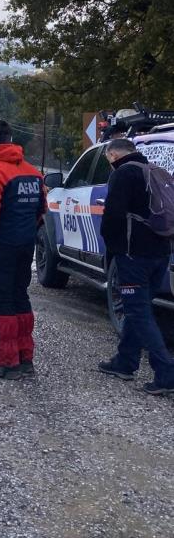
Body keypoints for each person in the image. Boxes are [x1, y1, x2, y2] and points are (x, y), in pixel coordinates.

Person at [98, 138, 174, 394]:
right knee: (137, 307)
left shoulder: (123, 173)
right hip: (160, 253)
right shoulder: (154, 170)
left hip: (133, 254)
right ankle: (125, 362)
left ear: (112, 154)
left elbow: (112, 216)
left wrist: (114, 248)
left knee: (140, 312)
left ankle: (166, 373)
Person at [0, 119, 45, 379]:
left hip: (0, 246)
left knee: (2, 300)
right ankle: (26, 356)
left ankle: (7, 360)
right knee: (20, 296)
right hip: (25, 245)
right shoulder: (33, 173)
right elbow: (42, 210)